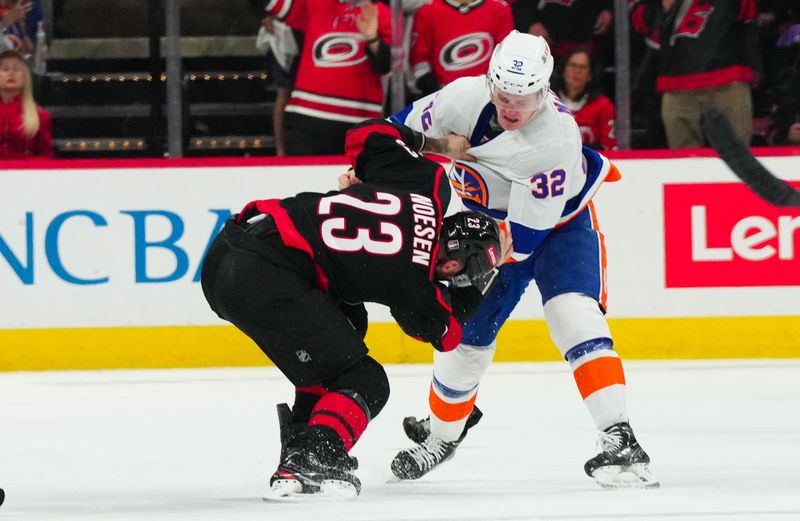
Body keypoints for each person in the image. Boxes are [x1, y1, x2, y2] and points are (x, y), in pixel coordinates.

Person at [388, 30, 659, 489]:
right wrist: (365, 171)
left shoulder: (556, 138)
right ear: (490, 80)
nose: (512, 107)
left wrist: (457, 151)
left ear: (545, 88)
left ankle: (620, 436)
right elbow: (398, 134)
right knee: (463, 338)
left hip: (557, 228)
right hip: (490, 223)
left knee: (572, 315)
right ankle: (441, 437)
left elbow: (528, 237)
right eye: (504, 94)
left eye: (526, 96)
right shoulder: (462, 96)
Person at [200, 118, 506, 499]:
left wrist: (440, 146)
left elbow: (365, 135)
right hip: (267, 275)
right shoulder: (416, 285)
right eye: (467, 272)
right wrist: (483, 287)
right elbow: (446, 334)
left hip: (229, 252)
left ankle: (299, 448)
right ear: (451, 265)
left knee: (346, 327)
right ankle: (317, 455)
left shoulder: (428, 186)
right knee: (367, 381)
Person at [264, 0, 392, 155]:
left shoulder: (381, 12)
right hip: (309, 116)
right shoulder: (315, 3)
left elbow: (385, 67)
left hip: (360, 121)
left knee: (355, 178)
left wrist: (372, 39)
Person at [631, 0, 758, 148]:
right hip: (676, 82)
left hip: (726, 77)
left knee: (737, 155)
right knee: (685, 161)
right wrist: (663, 6)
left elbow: (747, 11)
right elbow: (641, 23)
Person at [409, 0, 513, 96]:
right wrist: (430, 86)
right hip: (441, 94)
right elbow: (419, 57)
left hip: (485, 93)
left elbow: (505, 55)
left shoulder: (499, 8)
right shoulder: (428, 10)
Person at [554, 47, 617, 151]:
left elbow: (609, 146)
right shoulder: (547, 101)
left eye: (582, 67)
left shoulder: (602, 105)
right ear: (563, 70)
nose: (577, 71)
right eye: (573, 65)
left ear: (590, 75)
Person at [0, 48, 52, 158]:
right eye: (5, 69)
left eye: (17, 69)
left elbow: (46, 157)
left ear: (25, 77)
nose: (11, 73)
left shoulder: (40, 116)